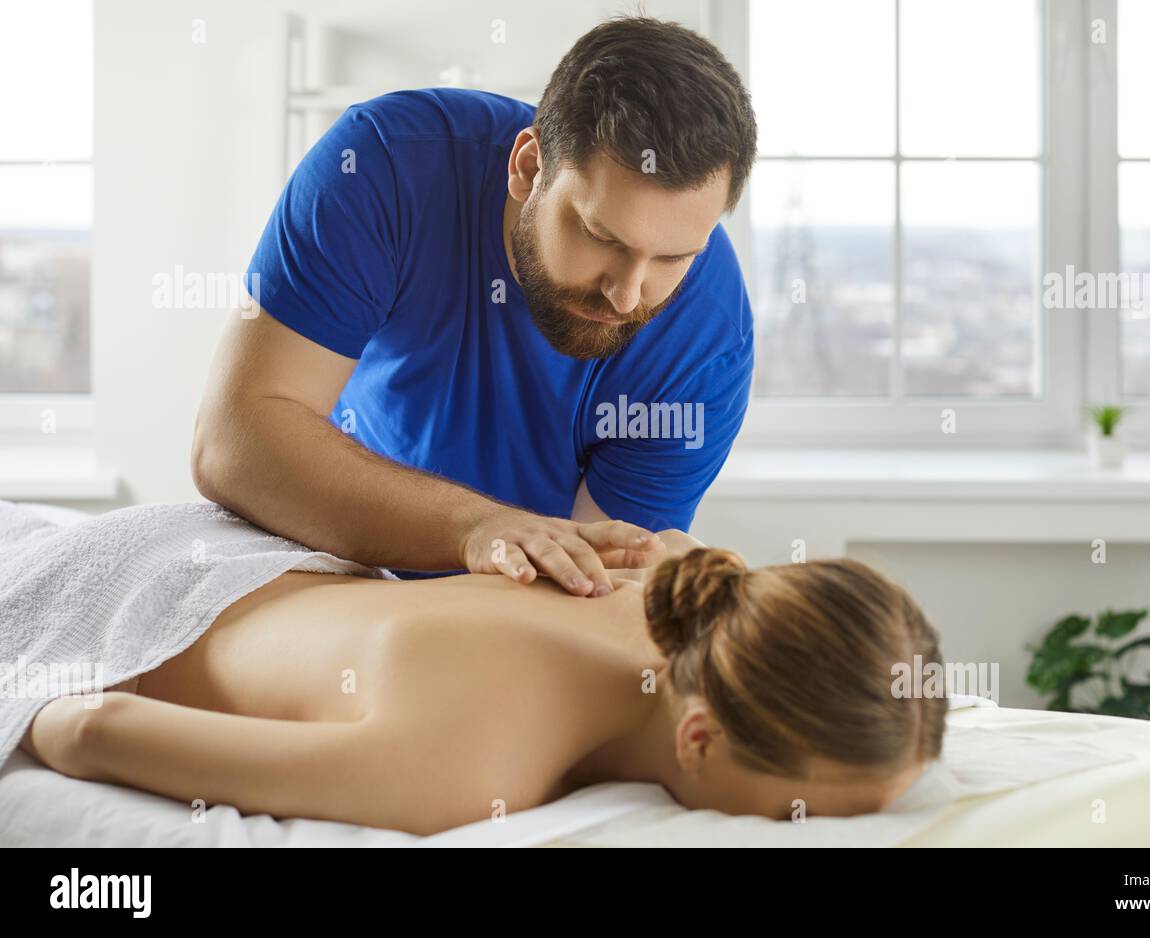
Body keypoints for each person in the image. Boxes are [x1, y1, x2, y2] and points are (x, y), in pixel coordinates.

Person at [192, 16, 759, 594]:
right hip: (333, 552)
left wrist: (504, 547)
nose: (627, 293)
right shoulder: (383, 166)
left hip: (514, 602)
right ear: (529, 166)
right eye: (603, 237)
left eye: (673, 258)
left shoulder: (707, 338)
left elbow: (587, 590)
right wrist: (478, 528)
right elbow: (233, 444)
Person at [22, 537, 946, 835]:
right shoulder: (472, 766)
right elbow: (95, 727)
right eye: (809, 820)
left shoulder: (656, 589)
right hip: (90, 596)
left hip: (207, 549)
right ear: (699, 740)